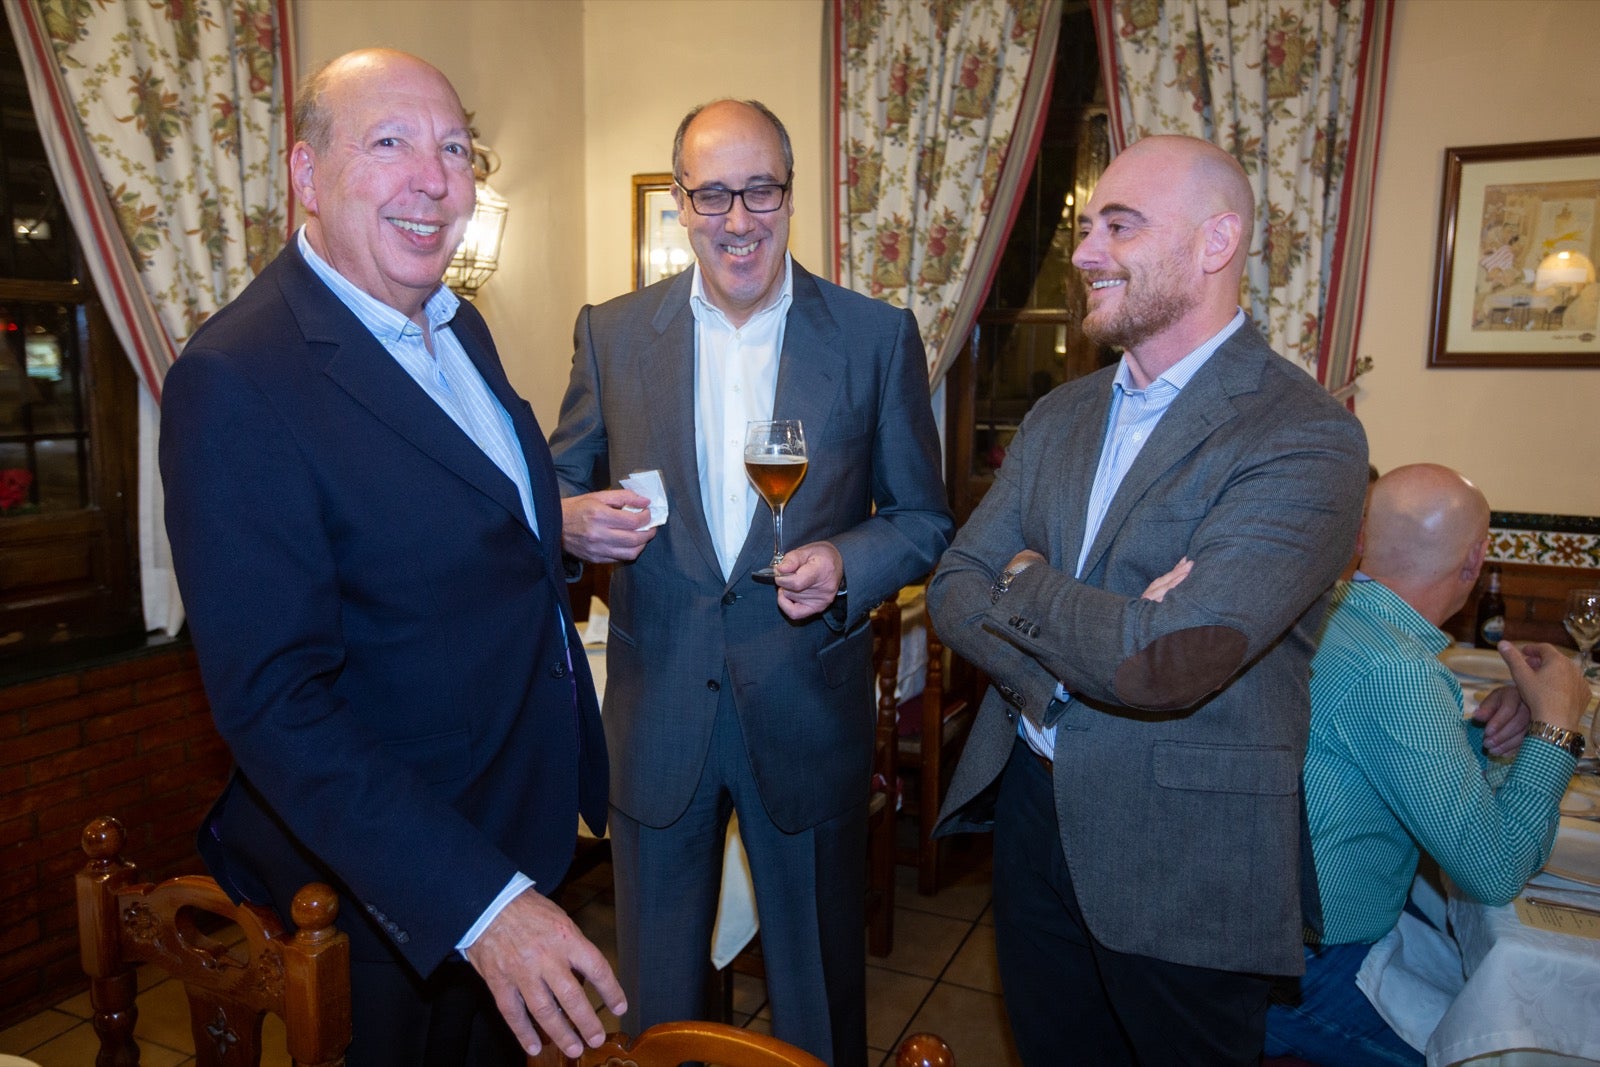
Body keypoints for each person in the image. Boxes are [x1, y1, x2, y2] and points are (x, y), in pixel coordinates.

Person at [159, 48, 625, 1067]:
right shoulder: (236, 379)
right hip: (387, 896)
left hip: (514, 820)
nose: (434, 177)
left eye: (455, 147)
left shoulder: (462, 327)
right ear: (304, 174)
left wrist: (566, 527)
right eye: (389, 143)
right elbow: (275, 699)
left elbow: (467, 523)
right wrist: (482, 904)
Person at [926, 133, 1370, 1064]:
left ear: (1217, 242)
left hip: (1190, 848)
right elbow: (953, 587)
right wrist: (1070, 669)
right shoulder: (1062, 412)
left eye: (1119, 226)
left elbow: (1166, 661)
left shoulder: (1306, 435)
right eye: (1089, 226)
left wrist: (1028, 580)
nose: (1085, 253)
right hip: (1033, 812)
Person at [548, 98, 952, 1065]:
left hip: (807, 716)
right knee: (659, 1012)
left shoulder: (873, 336)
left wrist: (849, 562)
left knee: (818, 1004)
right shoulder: (610, 333)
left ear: (790, 193)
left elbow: (924, 518)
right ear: (682, 202)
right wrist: (568, 519)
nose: (738, 219)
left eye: (760, 190)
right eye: (713, 194)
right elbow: (559, 483)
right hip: (657, 723)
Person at [1264, 463, 1591, 1064]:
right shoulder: (1398, 670)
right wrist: (1557, 730)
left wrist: (1487, 737)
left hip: (1276, 930)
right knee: (1509, 1046)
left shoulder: (1330, 613)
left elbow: (1385, 761)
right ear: (1474, 562)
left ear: (1360, 540)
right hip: (1306, 967)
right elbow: (1494, 872)